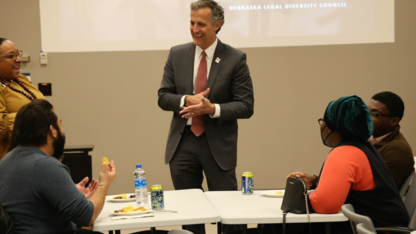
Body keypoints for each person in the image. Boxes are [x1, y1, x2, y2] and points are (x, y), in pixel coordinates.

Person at [158, 0, 254, 233]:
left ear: (218, 25)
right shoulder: (177, 54)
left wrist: (213, 109)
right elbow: (163, 97)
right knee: (190, 213)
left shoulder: (235, 58)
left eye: (201, 24)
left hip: (218, 145)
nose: (194, 29)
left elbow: (246, 106)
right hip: (183, 142)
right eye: (191, 23)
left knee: (229, 213)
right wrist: (185, 100)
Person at [286, 95, 409, 234]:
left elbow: (325, 205)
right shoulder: (365, 147)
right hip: (385, 227)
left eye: (324, 122)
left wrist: (296, 197)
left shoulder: (345, 153)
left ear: (334, 126)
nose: (321, 127)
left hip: (378, 230)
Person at [0, 99, 116, 234]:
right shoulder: (46, 166)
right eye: (60, 124)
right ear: (53, 131)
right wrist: (105, 183)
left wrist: (68, 192)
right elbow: (87, 217)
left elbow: (29, 202)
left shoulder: (6, 161)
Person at [0, 38, 45, 160]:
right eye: (11, 56)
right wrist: (32, 117)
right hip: (14, 160)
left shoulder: (21, 80)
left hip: (39, 154)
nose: (19, 59)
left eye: (18, 54)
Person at [368, 91, 414, 189]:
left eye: (375, 114)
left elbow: (378, 191)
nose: (367, 118)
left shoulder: (397, 150)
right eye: (367, 112)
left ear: (394, 121)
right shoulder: (373, 140)